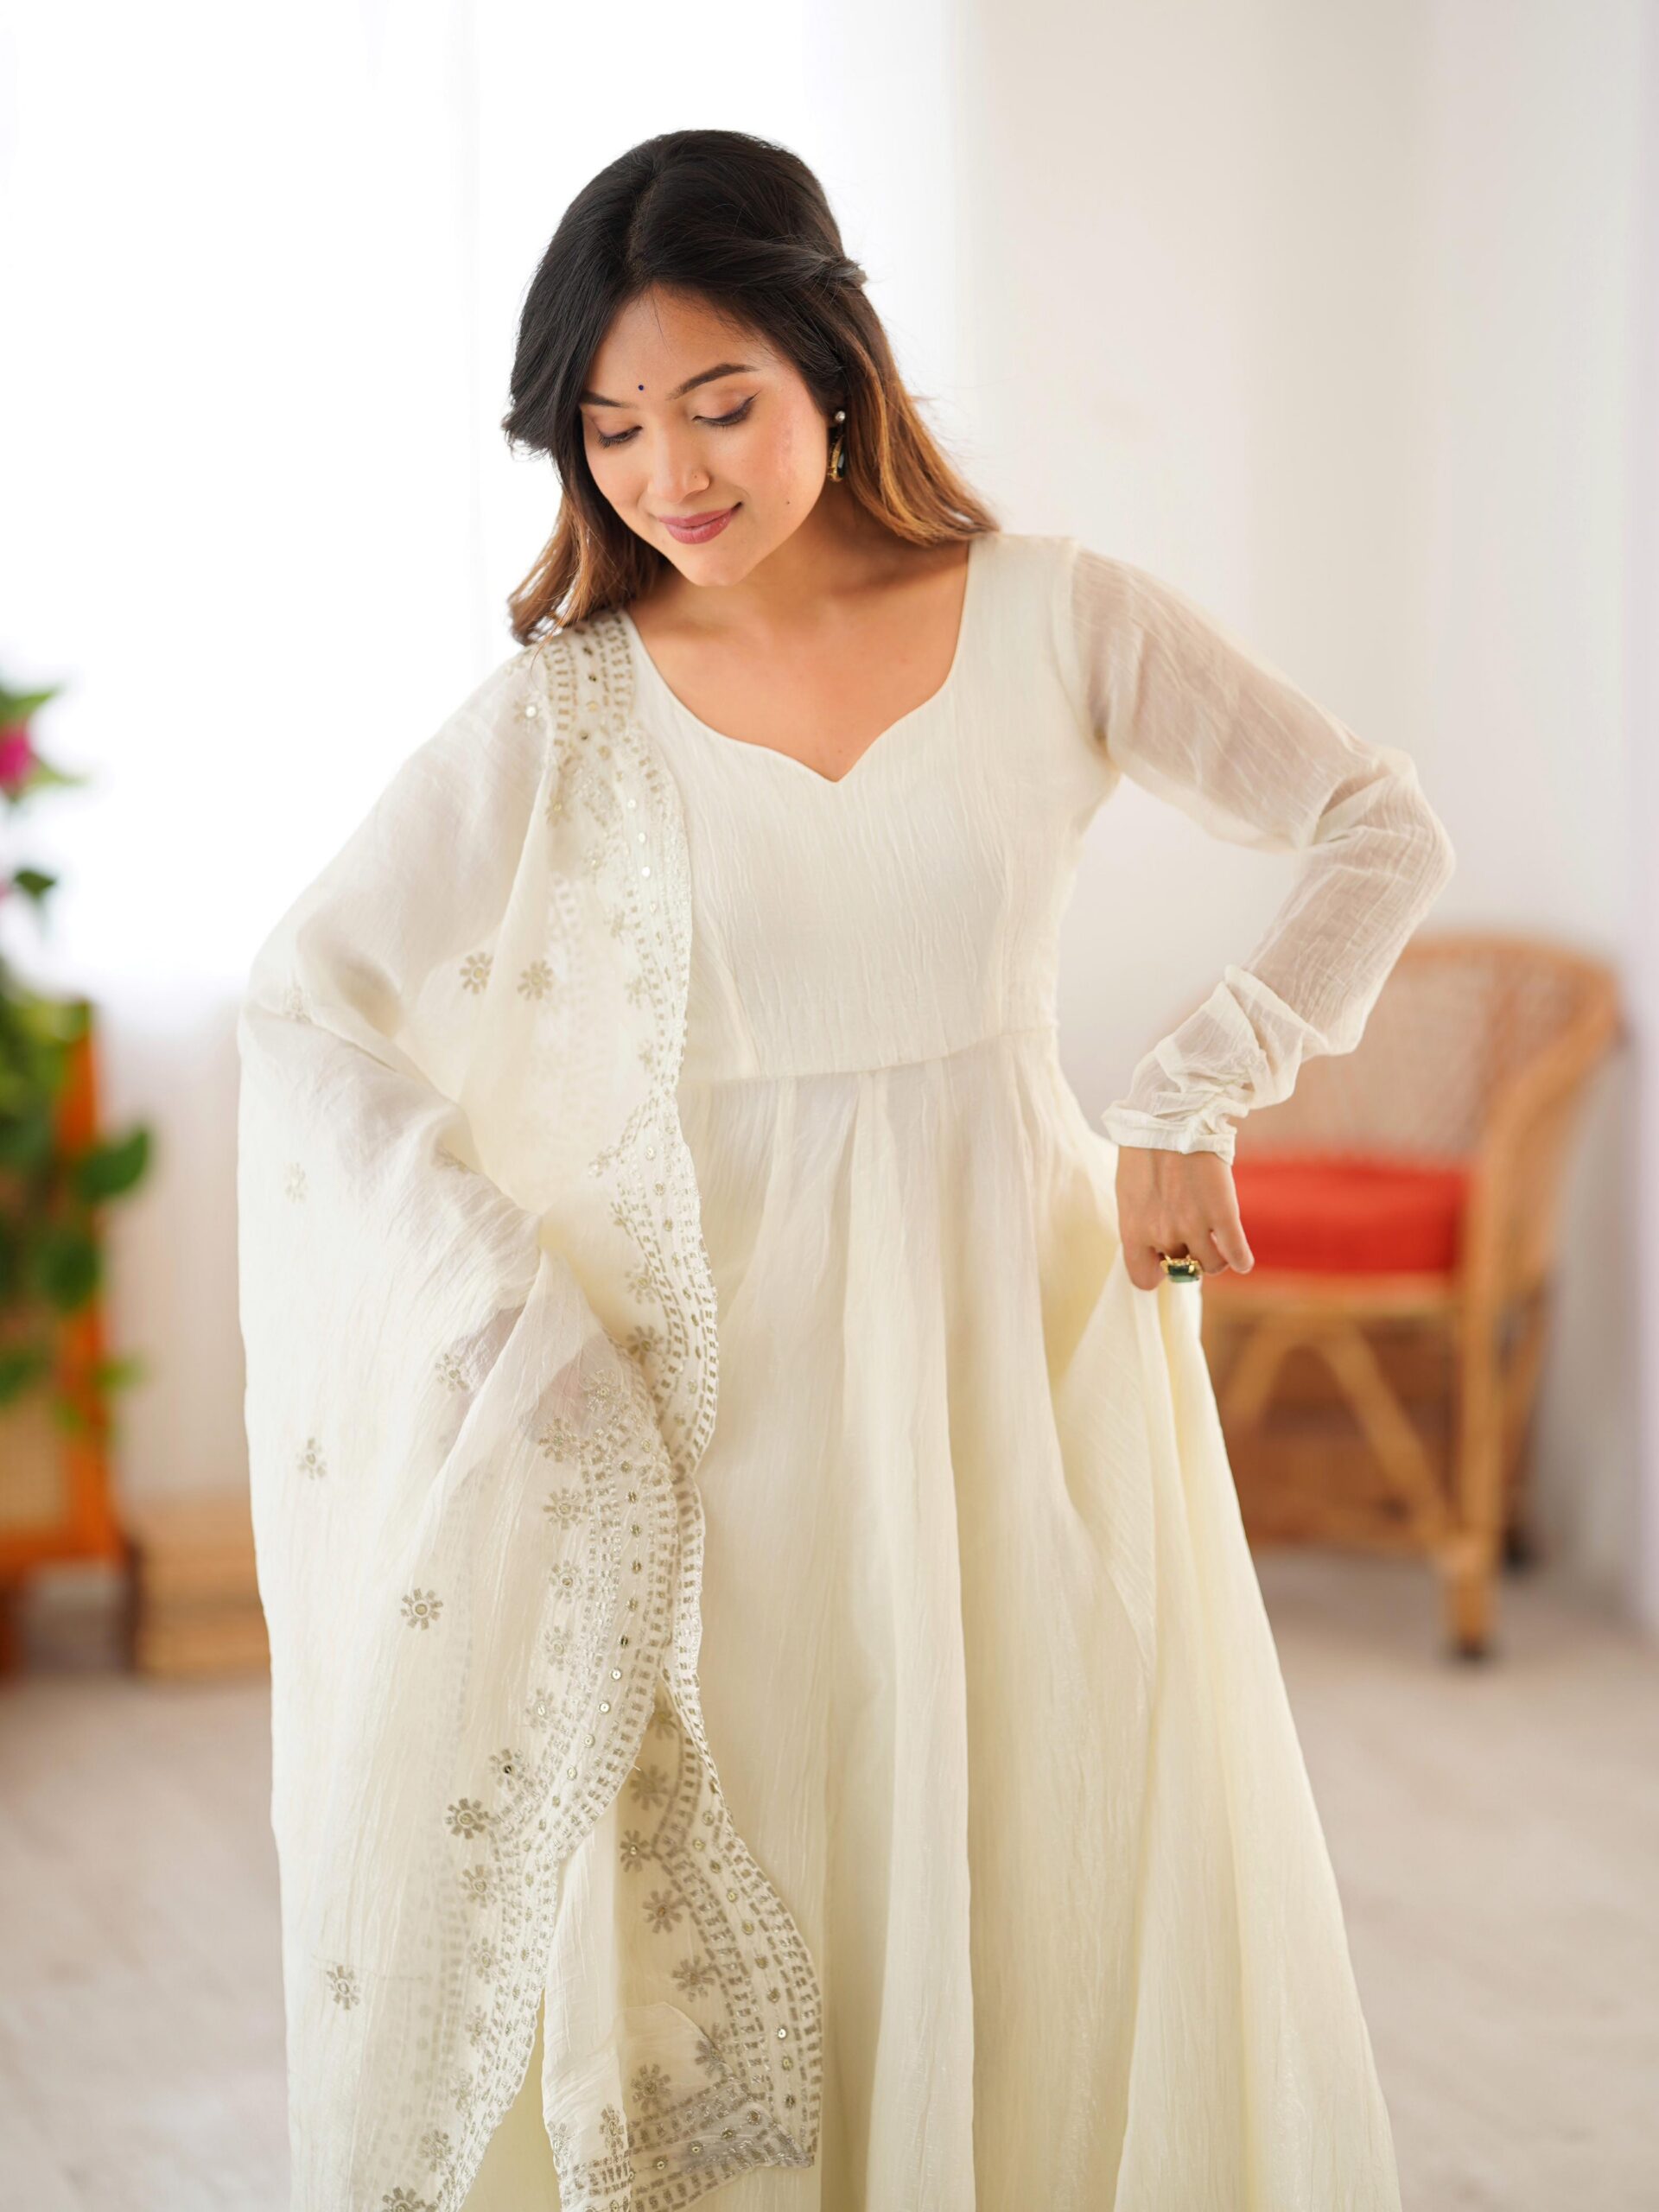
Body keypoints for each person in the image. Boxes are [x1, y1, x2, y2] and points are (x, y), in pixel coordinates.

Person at [237, 127, 1454, 2212]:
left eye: (717, 403)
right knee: (781, 1877)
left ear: (833, 362)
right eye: (610, 427)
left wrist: (1197, 1087)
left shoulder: (1059, 619)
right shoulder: (569, 713)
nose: (669, 472)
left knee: (1050, 1851)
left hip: (1027, 1353)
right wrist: (503, 1306)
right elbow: (308, 999)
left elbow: (1376, 821)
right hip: (717, 1402)